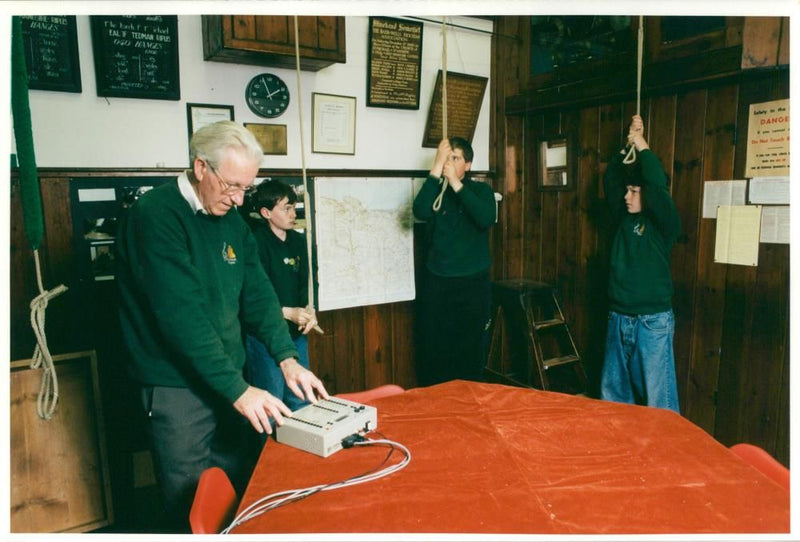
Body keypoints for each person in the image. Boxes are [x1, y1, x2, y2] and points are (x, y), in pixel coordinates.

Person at [115, 121, 329, 532]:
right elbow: (182, 318)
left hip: (230, 376)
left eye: (246, 188)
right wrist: (240, 391)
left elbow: (259, 295)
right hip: (176, 386)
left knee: (243, 487)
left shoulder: (231, 219)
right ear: (200, 167)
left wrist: (286, 359)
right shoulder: (155, 216)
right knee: (191, 505)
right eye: (231, 186)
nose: (238, 198)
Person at [600, 115, 681, 413]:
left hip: (652, 321)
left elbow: (656, 185)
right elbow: (611, 181)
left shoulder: (663, 223)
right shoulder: (622, 219)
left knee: (659, 401)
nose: (626, 196)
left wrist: (643, 146)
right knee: (614, 397)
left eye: (634, 191)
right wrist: (626, 147)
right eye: (628, 190)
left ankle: (666, 457)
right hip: (619, 317)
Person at [412, 137, 496, 386]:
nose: (450, 163)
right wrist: (436, 168)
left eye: (455, 158)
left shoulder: (481, 191)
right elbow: (419, 211)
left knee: (470, 347)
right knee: (436, 348)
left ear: (468, 164)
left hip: (472, 284)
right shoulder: (437, 191)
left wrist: (457, 184)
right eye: (447, 158)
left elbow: (485, 218)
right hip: (439, 281)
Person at [244, 179, 318, 412]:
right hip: (265, 338)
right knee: (272, 402)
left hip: (296, 335)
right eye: (285, 208)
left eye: (293, 207)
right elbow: (251, 297)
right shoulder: (255, 243)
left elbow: (309, 283)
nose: (292, 213)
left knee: (301, 398)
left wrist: (309, 311)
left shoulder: (299, 241)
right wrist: (287, 312)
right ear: (266, 212)